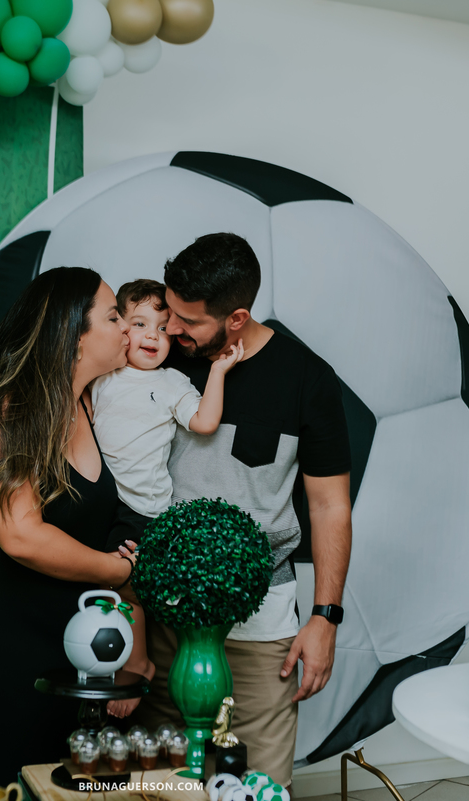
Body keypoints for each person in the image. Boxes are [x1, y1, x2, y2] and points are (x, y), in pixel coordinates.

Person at [138, 233, 354, 787]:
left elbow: (329, 505)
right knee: (161, 784)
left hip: (261, 627)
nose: (172, 330)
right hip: (163, 619)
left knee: (254, 785)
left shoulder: (308, 380)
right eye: (170, 312)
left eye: (188, 320)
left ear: (236, 318)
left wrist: (325, 618)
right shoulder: (159, 364)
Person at [0, 267, 137, 787]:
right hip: (7, 643)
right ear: (72, 335)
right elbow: (22, 536)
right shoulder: (2, 411)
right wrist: (117, 572)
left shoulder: (90, 407)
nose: (127, 328)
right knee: (2, 788)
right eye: (114, 316)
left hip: (79, 649)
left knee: (70, 792)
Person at [89, 278, 242, 717]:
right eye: (139, 324)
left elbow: (205, 421)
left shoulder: (171, 382)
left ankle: (138, 663)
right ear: (120, 329)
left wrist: (217, 373)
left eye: (162, 327)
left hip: (143, 507)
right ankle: (114, 660)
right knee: (98, 582)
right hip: (103, 502)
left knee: (124, 581)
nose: (152, 335)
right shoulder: (103, 376)